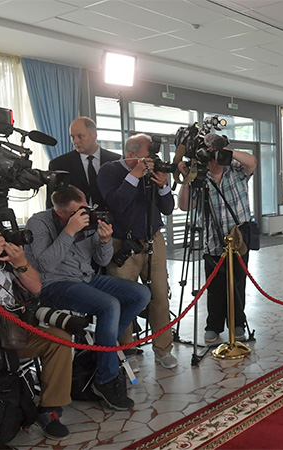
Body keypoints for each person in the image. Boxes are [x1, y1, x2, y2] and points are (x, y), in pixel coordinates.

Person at [24, 186, 150, 410]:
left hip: (86, 278)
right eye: (77, 212)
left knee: (141, 294)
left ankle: (102, 349)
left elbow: (102, 261)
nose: (84, 214)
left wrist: (105, 241)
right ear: (60, 212)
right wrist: (69, 231)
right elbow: (45, 264)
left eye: (85, 208)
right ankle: (105, 378)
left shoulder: (89, 219)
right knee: (109, 305)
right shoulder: (39, 222)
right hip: (54, 284)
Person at [0, 206, 73, 440]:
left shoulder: (2, 259)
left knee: (59, 340)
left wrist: (20, 262)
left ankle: (49, 408)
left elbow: (36, 288)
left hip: (11, 335)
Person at [98, 134, 177, 370]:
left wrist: (162, 186)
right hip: (122, 243)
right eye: (147, 156)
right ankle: (127, 351)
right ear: (131, 155)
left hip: (153, 240)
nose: (152, 160)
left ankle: (163, 349)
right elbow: (116, 204)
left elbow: (168, 208)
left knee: (160, 296)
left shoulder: (152, 172)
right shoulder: (110, 170)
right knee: (125, 299)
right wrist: (134, 176)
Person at [177, 133, 257, 343]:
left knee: (238, 283)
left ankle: (237, 324)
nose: (217, 161)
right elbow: (184, 206)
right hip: (212, 240)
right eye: (212, 157)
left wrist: (225, 151)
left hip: (238, 239)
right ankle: (213, 326)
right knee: (215, 287)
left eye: (219, 156)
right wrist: (188, 179)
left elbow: (252, 162)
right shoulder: (200, 179)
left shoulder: (236, 171)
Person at [46, 117, 120, 209]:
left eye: (80, 136)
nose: (75, 141)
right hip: (74, 217)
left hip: (112, 216)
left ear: (94, 135)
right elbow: (52, 205)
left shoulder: (116, 161)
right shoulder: (59, 164)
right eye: (72, 137)